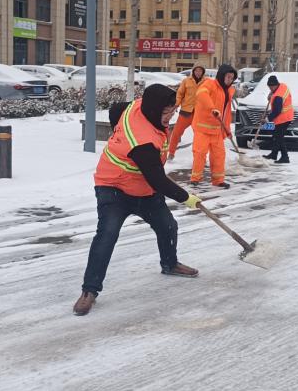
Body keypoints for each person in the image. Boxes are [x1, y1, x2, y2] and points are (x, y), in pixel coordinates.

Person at [73, 84, 203, 316]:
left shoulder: (139, 105)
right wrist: (186, 198)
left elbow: (115, 109)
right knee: (107, 234)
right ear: (154, 110)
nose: (170, 117)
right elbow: (158, 180)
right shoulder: (142, 141)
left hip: (143, 187)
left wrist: (117, 134)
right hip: (113, 186)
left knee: (167, 225)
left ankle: (170, 264)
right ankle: (89, 290)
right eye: (166, 112)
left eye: (172, 111)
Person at [191, 64, 237, 189]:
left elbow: (226, 113)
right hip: (202, 128)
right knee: (200, 154)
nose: (230, 80)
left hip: (217, 130)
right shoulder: (209, 84)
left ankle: (218, 180)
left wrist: (227, 130)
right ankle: (195, 179)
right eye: (228, 77)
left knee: (219, 155)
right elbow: (201, 94)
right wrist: (212, 108)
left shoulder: (229, 91)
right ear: (221, 75)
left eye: (232, 78)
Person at [168, 65, 206, 161]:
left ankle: (200, 157)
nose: (198, 72)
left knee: (200, 136)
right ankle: (171, 153)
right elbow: (180, 93)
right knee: (176, 133)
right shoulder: (186, 81)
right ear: (193, 71)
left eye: (200, 71)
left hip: (199, 113)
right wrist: (177, 104)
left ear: (203, 72)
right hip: (186, 111)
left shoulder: (206, 82)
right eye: (196, 70)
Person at [262, 75, 294, 164]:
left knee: (279, 138)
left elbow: (277, 111)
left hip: (284, 118)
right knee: (276, 136)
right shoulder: (282, 86)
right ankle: (274, 154)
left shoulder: (278, 96)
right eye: (269, 87)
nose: (271, 88)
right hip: (285, 116)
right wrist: (271, 94)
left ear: (276, 84)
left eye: (272, 87)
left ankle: (285, 157)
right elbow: (275, 93)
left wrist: (267, 119)